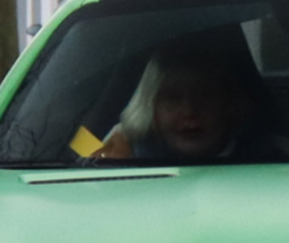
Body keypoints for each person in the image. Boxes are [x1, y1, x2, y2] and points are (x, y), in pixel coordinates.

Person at [92, 36, 262, 164]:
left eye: (204, 96)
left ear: (229, 104)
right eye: (172, 98)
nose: (189, 111)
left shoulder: (273, 157)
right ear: (150, 108)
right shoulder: (120, 152)